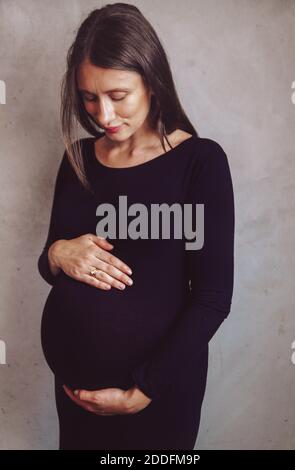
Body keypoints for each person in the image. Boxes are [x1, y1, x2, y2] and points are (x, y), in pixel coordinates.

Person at [37, 3, 235, 450]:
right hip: (76, 396)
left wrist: (142, 390)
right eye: (89, 96)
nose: (102, 114)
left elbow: (211, 299)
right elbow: (50, 261)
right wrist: (57, 253)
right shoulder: (79, 160)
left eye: (117, 95)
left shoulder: (200, 163)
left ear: (151, 79)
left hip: (158, 394)